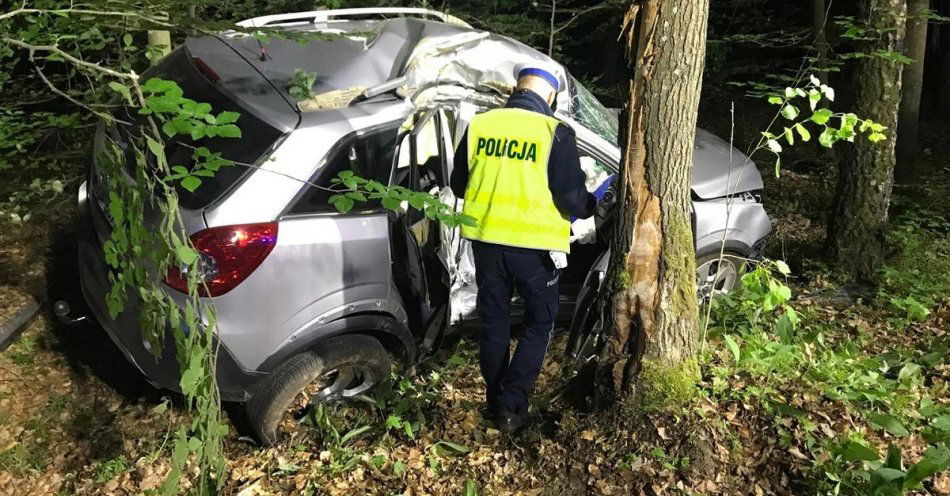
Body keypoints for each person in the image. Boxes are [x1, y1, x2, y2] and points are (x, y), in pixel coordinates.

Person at [450, 62, 598, 433]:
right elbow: (571, 199)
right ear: (551, 96)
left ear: (517, 89)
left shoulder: (480, 125)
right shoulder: (554, 132)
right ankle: (512, 406)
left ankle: (494, 400)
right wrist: (592, 203)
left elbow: (458, 185)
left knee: (494, 322)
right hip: (534, 251)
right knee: (538, 324)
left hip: (485, 244)